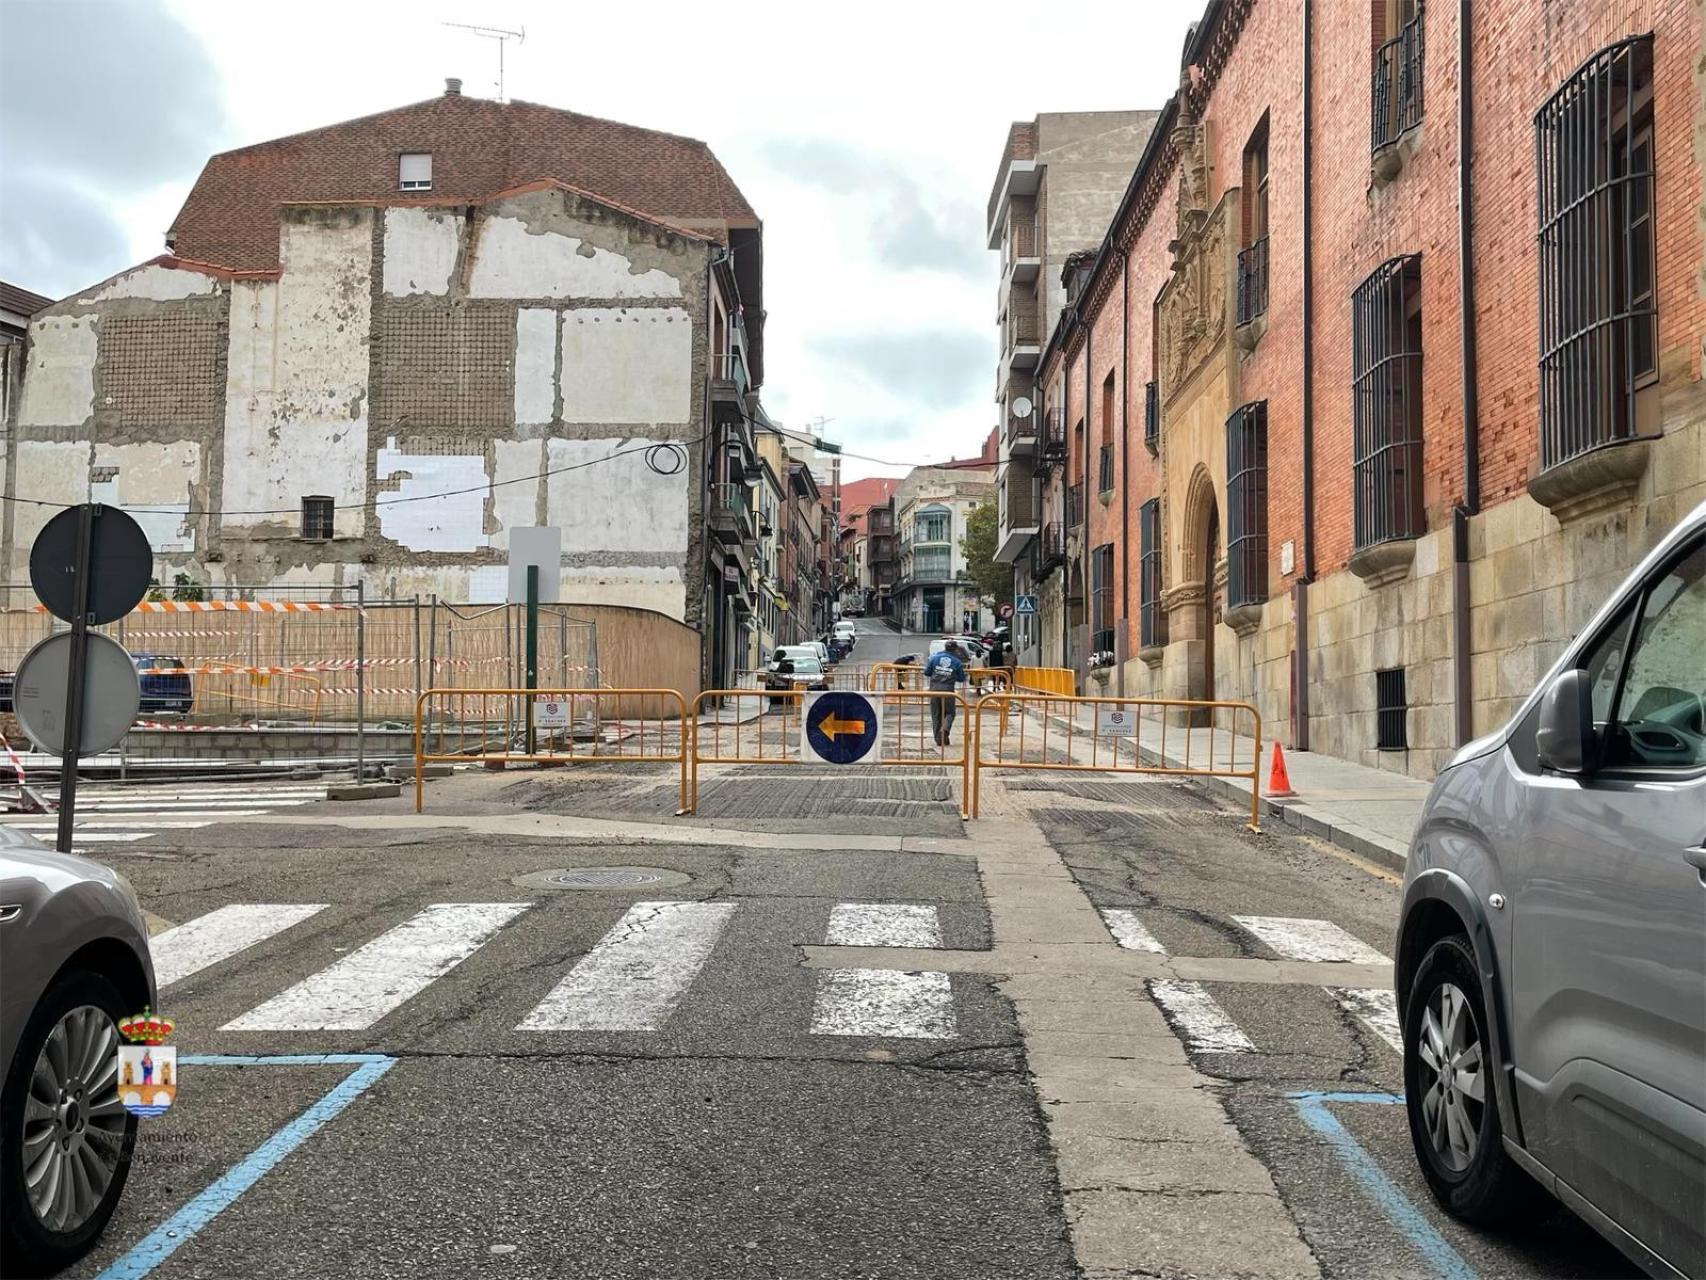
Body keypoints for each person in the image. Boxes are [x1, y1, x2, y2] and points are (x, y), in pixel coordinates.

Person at [924, 640, 966, 747]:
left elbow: (927, 672)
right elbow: (961, 678)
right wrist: (952, 675)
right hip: (948, 691)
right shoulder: (956, 662)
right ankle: (945, 730)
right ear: (955, 649)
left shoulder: (935, 658)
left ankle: (938, 739)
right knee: (950, 713)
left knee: (936, 714)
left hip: (934, 690)